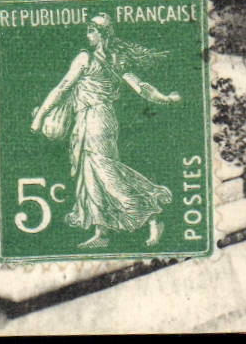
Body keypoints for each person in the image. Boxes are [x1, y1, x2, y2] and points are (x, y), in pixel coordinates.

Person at [30, 14, 178, 249]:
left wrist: (39, 116)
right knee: (90, 174)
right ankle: (102, 232)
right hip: (94, 119)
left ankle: (151, 213)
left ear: (102, 33)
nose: (87, 35)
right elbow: (142, 88)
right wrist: (166, 98)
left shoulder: (85, 58)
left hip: (96, 119)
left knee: (105, 171)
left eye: (91, 30)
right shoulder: (116, 59)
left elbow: (63, 87)